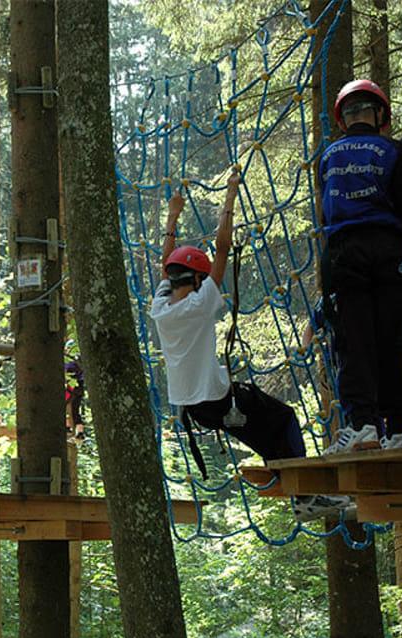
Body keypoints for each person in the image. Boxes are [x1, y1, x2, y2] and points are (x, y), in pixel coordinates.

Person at [150, 173, 349, 521]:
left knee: (272, 436)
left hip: (193, 408)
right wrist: (229, 195)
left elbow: (168, 266)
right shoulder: (200, 303)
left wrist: (172, 216)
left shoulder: (161, 309)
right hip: (219, 399)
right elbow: (223, 248)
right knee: (285, 418)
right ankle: (305, 499)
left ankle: (299, 490)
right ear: (197, 279)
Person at [318, 80, 402, 453]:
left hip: (344, 254)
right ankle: (398, 430)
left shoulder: (329, 156)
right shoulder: (391, 150)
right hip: (389, 254)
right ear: (381, 114)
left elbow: (327, 208)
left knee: (354, 343)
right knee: (392, 342)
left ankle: (363, 425)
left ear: (342, 119)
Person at [65, 359, 86, 440]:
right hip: (78, 389)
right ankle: (79, 432)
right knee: (75, 411)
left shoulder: (68, 364)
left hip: (72, 389)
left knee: (65, 409)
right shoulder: (77, 364)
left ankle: (68, 428)